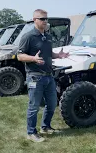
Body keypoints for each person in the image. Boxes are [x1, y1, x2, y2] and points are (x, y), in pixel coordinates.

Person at [17, 9, 69, 142]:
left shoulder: (48, 36)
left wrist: (59, 55)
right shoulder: (28, 37)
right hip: (35, 76)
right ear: (35, 20)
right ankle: (31, 132)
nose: (45, 21)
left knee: (52, 104)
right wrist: (33, 59)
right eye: (42, 19)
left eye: (46, 19)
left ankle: (45, 127)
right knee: (34, 106)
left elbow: (49, 53)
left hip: (48, 76)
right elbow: (19, 56)